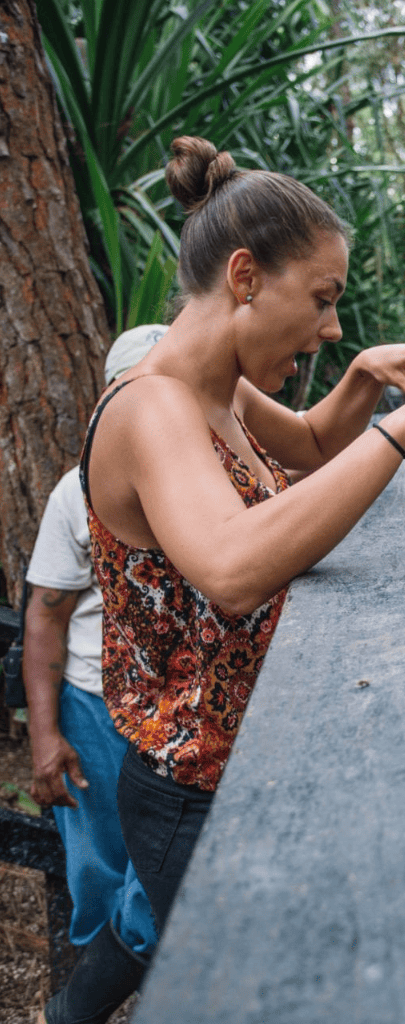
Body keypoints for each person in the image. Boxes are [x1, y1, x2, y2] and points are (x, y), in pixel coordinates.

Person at [56, 134, 405, 1020]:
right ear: (244, 277)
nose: (332, 324)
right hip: (192, 792)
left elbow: (308, 445)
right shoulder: (151, 406)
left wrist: (360, 381)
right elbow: (232, 566)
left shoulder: (219, 389)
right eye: (322, 301)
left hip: (254, 763)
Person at [25, 325, 167, 1024]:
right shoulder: (74, 496)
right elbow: (45, 618)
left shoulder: (209, 482)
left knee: (158, 883)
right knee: (98, 875)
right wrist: (46, 735)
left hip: (180, 715)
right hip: (96, 710)